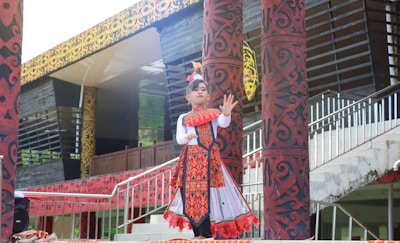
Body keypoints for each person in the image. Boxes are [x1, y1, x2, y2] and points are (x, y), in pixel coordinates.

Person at [163, 62, 259, 239]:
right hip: (190, 159)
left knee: (205, 195)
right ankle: (197, 232)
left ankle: (205, 234)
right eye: (196, 89)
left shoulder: (214, 114)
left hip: (208, 158)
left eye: (203, 89)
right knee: (188, 194)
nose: (200, 91)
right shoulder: (183, 118)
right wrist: (187, 138)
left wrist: (227, 113)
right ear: (188, 96)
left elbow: (223, 123)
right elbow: (179, 138)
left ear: (208, 96)